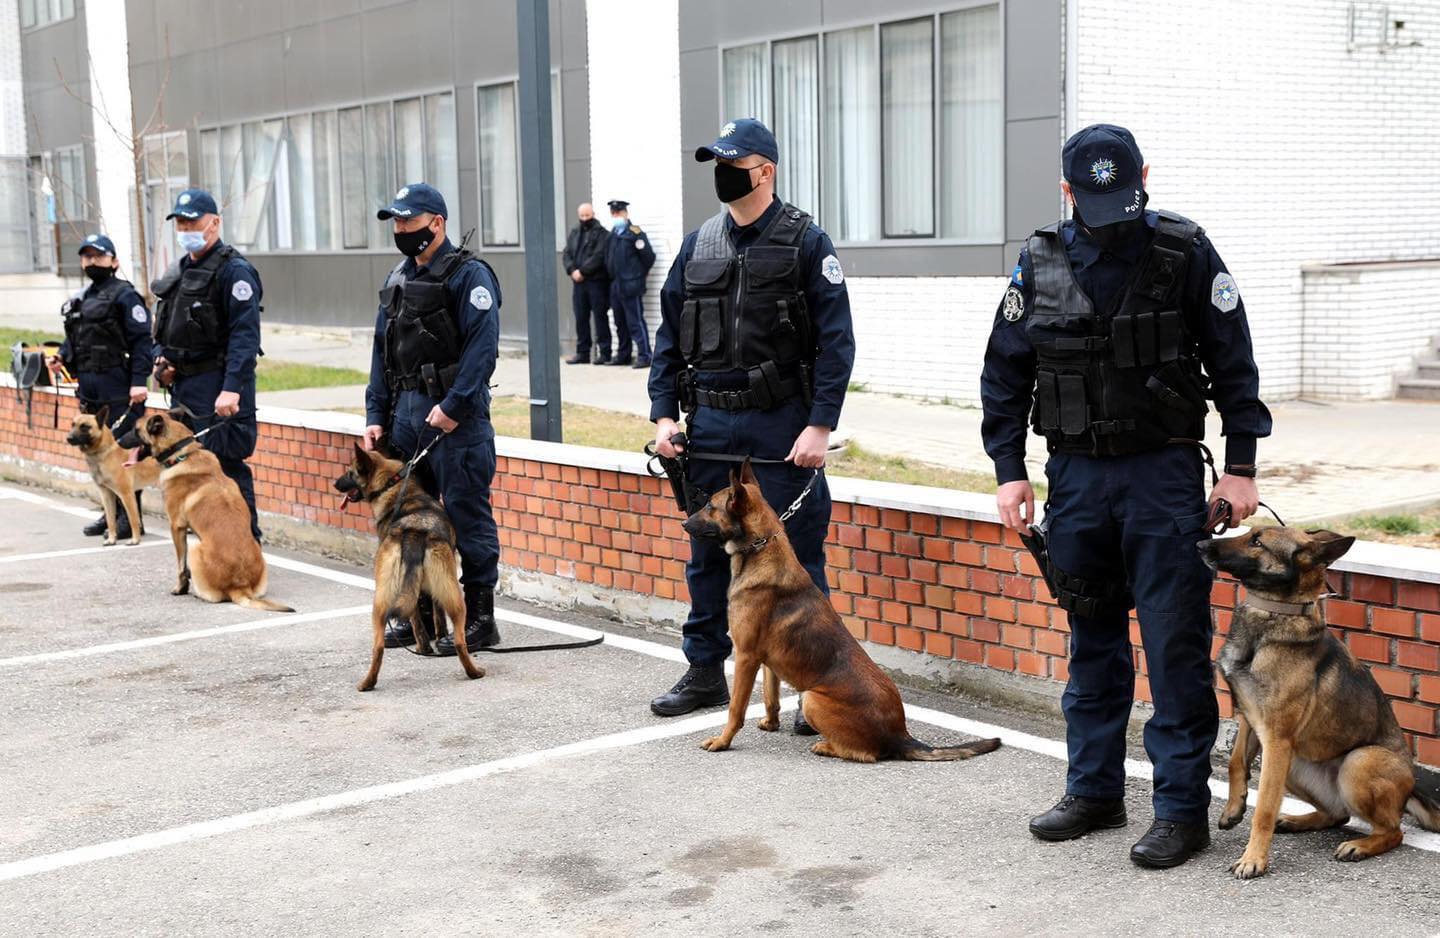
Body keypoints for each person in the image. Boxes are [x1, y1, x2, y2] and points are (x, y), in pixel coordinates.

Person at [980, 123, 1273, 869]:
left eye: (1125, 192)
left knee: (1174, 646)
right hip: (1076, 478)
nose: (1111, 211)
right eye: (1093, 196)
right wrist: (1008, 468)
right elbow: (1005, 372)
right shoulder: (1040, 258)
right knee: (1093, 641)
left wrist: (1240, 467)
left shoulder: (1183, 249)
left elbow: (1234, 362)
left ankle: (1180, 811)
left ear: (1144, 173)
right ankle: (1094, 791)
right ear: (1066, 189)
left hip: (1162, 476)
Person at [647, 118, 856, 727]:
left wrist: (819, 426)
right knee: (708, 556)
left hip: (780, 424)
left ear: (764, 170)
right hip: (709, 423)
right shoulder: (697, 245)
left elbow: (837, 344)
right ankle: (705, 669)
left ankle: (809, 689)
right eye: (717, 161)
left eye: (733, 162)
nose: (722, 172)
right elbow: (668, 340)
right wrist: (664, 414)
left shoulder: (806, 242)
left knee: (798, 562)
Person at [362, 182, 503, 656]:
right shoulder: (398, 276)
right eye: (396, 223)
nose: (401, 230)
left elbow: (483, 352)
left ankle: (480, 620)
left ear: (437, 223)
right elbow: (382, 354)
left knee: (468, 518)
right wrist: (375, 415)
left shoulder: (470, 276)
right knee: (413, 523)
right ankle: (420, 621)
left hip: (455, 425)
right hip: (405, 422)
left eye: (409, 221)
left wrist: (454, 407)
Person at [152, 189, 264, 541]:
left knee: (226, 467)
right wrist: (162, 360)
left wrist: (232, 388)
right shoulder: (181, 270)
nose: (186, 228)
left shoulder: (234, 271)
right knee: (191, 467)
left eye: (192, 221)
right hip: (185, 387)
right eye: (181, 222)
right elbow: (165, 325)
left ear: (214, 222)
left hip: (219, 385)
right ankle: (214, 547)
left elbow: (245, 337)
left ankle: (248, 546)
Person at [51, 233, 154, 538]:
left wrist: (138, 381)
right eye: (87, 256)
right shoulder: (82, 297)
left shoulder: (125, 295)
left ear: (114, 261)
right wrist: (60, 357)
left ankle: (129, 519)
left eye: (98, 256)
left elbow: (141, 342)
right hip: (89, 382)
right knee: (95, 452)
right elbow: (75, 340)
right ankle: (108, 514)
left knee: (123, 449)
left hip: (117, 380)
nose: (91, 261)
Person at [603, 199, 657, 369]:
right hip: (616, 285)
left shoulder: (635, 232)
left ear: (625, 213)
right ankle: (623, 354)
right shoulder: (613, 233)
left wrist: (639, 274)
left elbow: (648, 256)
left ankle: (645, 355)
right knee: (619, 322)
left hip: (630, 284)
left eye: (619, 212)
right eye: (613, 213)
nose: (616, 215)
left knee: (635, 321)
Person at [562, 202, 613, 365]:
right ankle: (583, 352)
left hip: (596, 282)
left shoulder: (603, 234)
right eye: (582, 216)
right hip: (578, 284)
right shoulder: (575, 232)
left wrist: (582, 271)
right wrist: (572, 270)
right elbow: (567, 253)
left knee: (600, 318)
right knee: (581, 318)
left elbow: (599, 256)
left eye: (587, 215)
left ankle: (605, 353)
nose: (584, 219)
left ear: (593, 214)